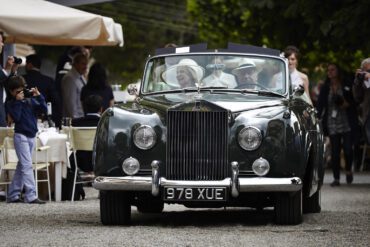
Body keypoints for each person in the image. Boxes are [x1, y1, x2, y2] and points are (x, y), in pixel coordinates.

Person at [5, 76, 47, 204]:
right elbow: (16, 118)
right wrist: (18, 101)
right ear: (12, 92)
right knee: (27, 166)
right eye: (18, 91)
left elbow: (44, 110)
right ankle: (31, 196)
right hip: (21, 136)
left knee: (22, 166)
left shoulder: (30, 100)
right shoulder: (11, 103)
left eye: (22, 90)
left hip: (31, 136)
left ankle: (13, 194)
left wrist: (39, 96)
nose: (21, 93)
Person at [317, 63, 357, 186]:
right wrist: (316, 116)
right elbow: (320, 104)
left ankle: (349, 170)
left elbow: (354, 101)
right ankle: (336, 178)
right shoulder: (326, 87)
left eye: (332, 70)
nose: (330, 72)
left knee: (348, 149)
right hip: (331, 122)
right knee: (335, 151)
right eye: (328, 70)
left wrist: (345, 103)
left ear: (338, 71)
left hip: (346, 122)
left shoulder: (346, 84)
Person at [23, 54, 61, 124]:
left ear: (30, 64)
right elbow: (56, 101)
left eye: (26, 64)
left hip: (24, 117)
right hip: (44, 117)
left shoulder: (22, 79)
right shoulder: (48, 81)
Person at [69, 94, 102, 172]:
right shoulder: (104, 122)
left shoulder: (75, 122)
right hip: (101, 161)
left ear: (84, 108)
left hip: (80, 161)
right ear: (101, 109)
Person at [0, 32, 20, 126]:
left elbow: (6, 84)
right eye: (0, 41)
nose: (2, 44)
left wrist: (12, 71)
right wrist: (7, 68)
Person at [61, 53, 88, 119]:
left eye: (86, 64)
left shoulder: (81, 76)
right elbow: (70, 103)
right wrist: (76, 120)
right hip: (75, 119)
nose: (85, 67)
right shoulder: (69, 78)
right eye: (83, 64)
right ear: (75, 64)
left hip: (82, 117)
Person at [353, 58, 370, 142]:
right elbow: (357, 97)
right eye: (365, 71)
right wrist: (358, 80)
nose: (367, 73)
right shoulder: (364, 81)